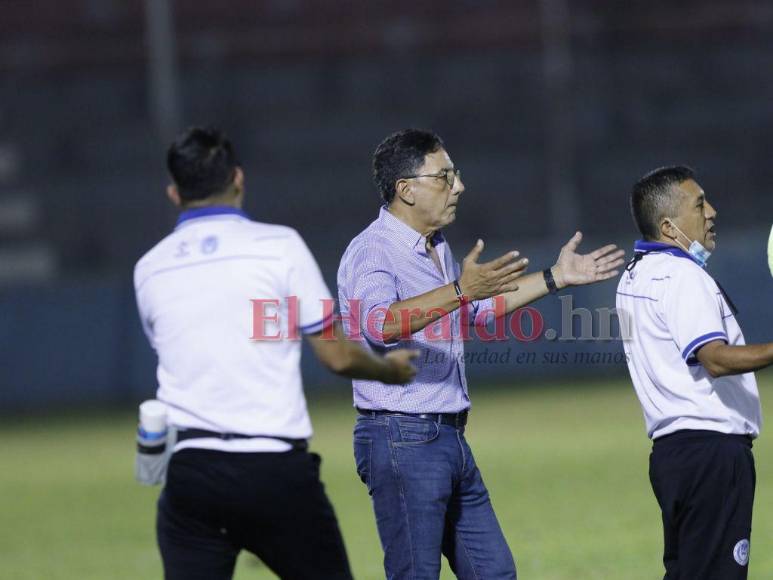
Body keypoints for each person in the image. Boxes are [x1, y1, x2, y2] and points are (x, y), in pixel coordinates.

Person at [337, 128, 625, 579]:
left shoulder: (435, 248)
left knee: (495, 574)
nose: (459, 186)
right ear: (406, 190)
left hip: (447, 437)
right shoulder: (373, 250)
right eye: (445, 176)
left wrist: (556, 277)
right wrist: (458, 290)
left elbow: (473, 311)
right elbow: (380, 325)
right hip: (402, 437)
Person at [133, 126, 418, 580]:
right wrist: (386, 369)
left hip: (190, 474)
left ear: (174, 193)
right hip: (273, 469)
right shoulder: (280, 247)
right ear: (239, 178)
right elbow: (337, 356)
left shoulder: (148, 269)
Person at [617, 166, 765, 579]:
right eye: (700, 204)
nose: (712, 212)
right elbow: (715, 359)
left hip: (673, 455)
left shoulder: (635, 274)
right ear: (668, 226)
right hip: (712, 453)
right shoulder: (683, 274)